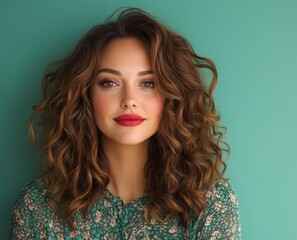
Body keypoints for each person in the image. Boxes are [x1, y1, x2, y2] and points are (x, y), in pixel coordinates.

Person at [10, 7, 240, 239]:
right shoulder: (38, 206)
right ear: (85, 95)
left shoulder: (208, 203)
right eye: (109, 83)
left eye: (148, 83)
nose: (129, 100)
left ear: (172, 96)